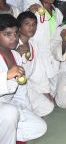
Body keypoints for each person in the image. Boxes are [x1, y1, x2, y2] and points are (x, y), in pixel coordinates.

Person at [0, 14, 47, 144]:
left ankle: (8, 132)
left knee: (39, 127)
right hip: (4, 109)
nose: (13, 38)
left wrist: (24, 109)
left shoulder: (16, 55)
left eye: (15, 33)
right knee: (10, 113)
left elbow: (21, 90)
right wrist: (6, 76)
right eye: (7, 34)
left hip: (9, 104)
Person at [16, 11, 54, 117]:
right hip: (14, 88)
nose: (31, 27)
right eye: (27, 24)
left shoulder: (34, 45)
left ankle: (27, 115)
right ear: (19, 27)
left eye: (34, 24)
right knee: (21, 110)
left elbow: (39, 71)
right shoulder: (13, 45)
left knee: (48, 106)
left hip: (27, 86)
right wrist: (17, 54)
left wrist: (44, 91)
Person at [29, 0, 63, 96]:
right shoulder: (35, 11)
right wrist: (29, 12)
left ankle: (51, 97)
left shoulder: (57, 12)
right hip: (40, 50)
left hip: (53, 49)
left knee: (54, 75)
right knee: (42, 77)